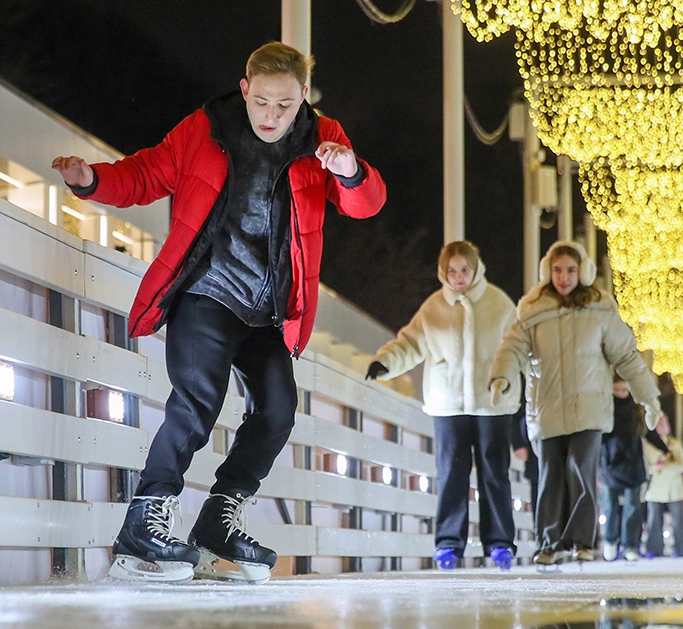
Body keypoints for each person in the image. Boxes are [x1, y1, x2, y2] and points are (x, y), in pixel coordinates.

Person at [51, 42, 386, 583]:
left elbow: (365, 203)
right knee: (198, 400)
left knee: (277, 411)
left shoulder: (324, 138)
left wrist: (350, 171)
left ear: (304, 96)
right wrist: (90, 181)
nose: (273, 117)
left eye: (286, 105)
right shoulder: (205, 128)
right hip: (208, 290)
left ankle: (217, 521)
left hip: (270, 309)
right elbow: (146, 174)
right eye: (263, 103)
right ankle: (145, 520)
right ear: (246, 88)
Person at [489, 240, 666, 565]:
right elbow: (512, 346)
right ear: (548, 271)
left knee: (581, 473)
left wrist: (649, 398)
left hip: (590, 409)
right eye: (557, 270)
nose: (564, 276)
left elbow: (627, 356)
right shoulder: (534, 311)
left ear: (582, 271)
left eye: (570, 269)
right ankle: (549, 544)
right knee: (550, 475)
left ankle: (582, 541)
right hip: (546, 407)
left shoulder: (600, 310)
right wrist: (502, 375)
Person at [366, 241, 519, 571]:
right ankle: (449, 543)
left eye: (465, 270)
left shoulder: (499, 303)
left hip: (492, 403)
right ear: (443, 272)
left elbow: (519, 346)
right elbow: (410, 342)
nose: (460, 277)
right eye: (453, 271)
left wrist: (520, 377)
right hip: (448, 404)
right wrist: (384, 363)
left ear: (476, 269)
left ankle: (500, 543)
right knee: (451, 473)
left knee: (494, 473)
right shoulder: (434, 307)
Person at [599, 377, 648, 562]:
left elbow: (646, 432)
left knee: (632, 507)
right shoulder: (605, 409)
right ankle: (610, 541)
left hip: (633, 464)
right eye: (617, 389)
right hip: (610, 462)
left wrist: (665, 450)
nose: (620, 393)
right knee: (610, 506)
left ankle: (630, 546)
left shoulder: (636, 410)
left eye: (624, 390)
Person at [644, 430, 683, 558]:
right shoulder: (647, 445)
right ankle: (653, 549)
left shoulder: (675, 444)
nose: (662, 426)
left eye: (664, 423)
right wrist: (655, 467)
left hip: (674, 490)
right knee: (654, 520)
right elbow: (645, 467)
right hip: (655, 489)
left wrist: (666, 466)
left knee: (679, 521)